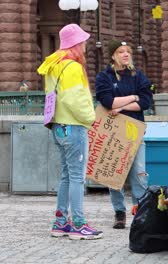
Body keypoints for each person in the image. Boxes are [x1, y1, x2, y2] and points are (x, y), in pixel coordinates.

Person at [37, 23, 102, 240]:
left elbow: (54, 97)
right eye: (82, 41)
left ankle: (61, 222)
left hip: (58, 126)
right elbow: (73, 99)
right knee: (77, 177)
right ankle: (79, 225)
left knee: (66, 175)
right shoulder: (73, 67)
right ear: (76, 43)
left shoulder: (53, 65)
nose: (85, 45)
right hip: (73, 127)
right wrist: (91, 118)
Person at [95, 40, 153, 229]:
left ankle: (140, 208)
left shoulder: (138, 76)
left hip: (135, 128)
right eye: (121, 52)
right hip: (113, 131)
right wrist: (132, 97)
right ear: (113, 55)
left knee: (139, 172)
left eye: (128, 51)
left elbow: (145, 101)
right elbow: (107, 101)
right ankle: (119, 212)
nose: (126, 55)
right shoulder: (104, 76)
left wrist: (122, 107)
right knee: (114, 173)